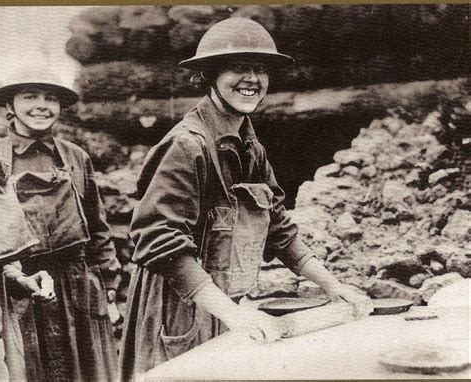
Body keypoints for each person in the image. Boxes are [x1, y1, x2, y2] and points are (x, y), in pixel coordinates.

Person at [119, 18, 373, 380]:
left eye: (261, 68)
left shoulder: (250, 147)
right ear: (208, 75)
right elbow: (160, 242)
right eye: (238, 67)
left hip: (224, 308)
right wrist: (234, 314)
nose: (252, 79)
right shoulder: (188, 145)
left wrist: (334, 287)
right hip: (176, 306)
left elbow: (278, 229)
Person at [0, 67, 121, 381]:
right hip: (19, 292)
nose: (42, 105)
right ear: (10, 106)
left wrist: (108, 291)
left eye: (50, 98)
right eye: (30, 96)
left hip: (79, 290)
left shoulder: (76, 158)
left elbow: (98, 229)